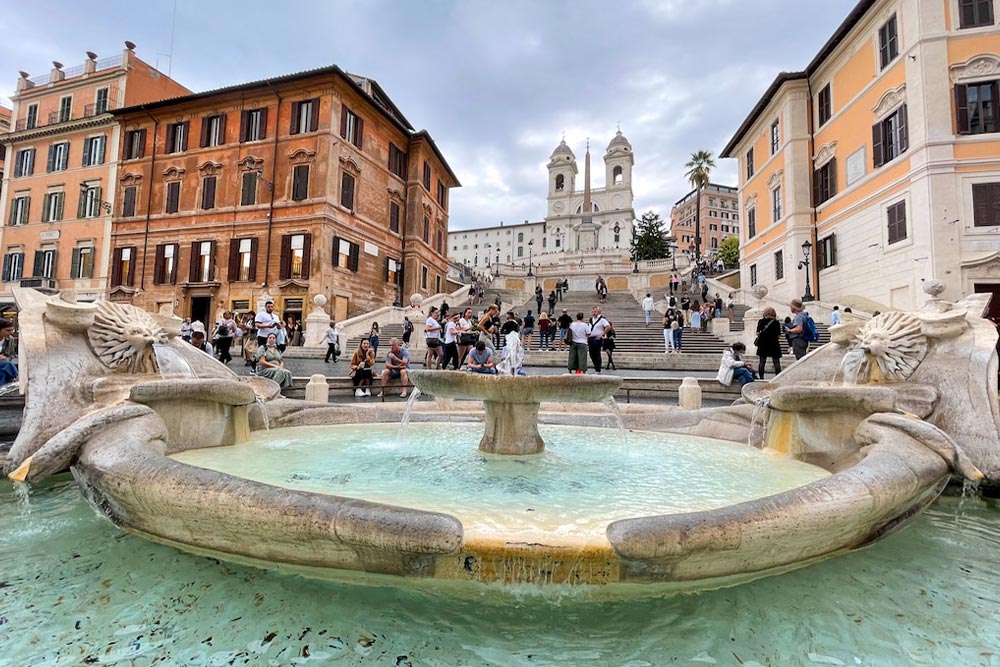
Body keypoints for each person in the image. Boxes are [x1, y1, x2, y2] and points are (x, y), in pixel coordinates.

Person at [754, 307, 783, 379]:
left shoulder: (761, 321)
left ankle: (761, 377)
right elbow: (779, 335)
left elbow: (757, 333)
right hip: (774, 343)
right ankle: (778, 377)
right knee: (776, 361)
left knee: (762, 361)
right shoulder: (776, 322)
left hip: (763, 343)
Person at [588, 307, 611, 373]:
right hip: (590, 338)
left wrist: (602, 334)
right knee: (591, 354)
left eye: (595, 311)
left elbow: (608, 326)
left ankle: (598, 370)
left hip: (597, 338)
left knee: (597, 354)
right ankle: (596, 368)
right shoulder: (591, 319)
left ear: (598, 312)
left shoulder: (602, 319)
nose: (593, 312)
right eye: (592, 311)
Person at [0, 319, 16, 385]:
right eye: (7, 330)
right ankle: (16, 378)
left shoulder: (10, 339)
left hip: (3, 363)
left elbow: (11, 354)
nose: (10, 333)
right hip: (5, 364)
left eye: (12, 330)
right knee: (7, 364)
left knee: (3, 372)